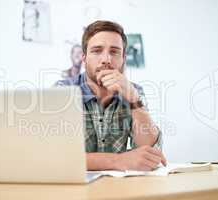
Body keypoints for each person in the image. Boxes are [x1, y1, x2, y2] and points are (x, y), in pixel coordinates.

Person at [55, 20, 166, 171]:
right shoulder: (63, 91)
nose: (106, 59)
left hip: (120, 189)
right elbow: (57, 156)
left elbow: (149, 152)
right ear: (84, 58)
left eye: (114, 52)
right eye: (97, 50)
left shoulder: (134, 91)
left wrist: (134, 99)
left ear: (123, 59)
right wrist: (118, 161)